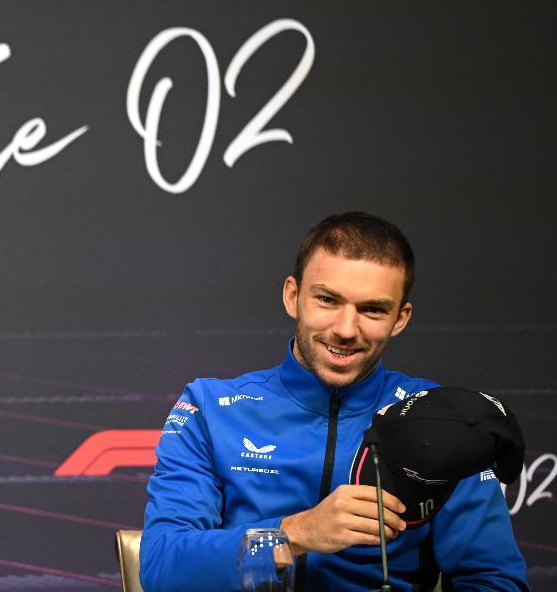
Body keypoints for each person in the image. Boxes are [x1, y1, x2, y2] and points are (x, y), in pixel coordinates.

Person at [140, 212, 528, 591]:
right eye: (327, 300)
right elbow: (161, 565)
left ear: (401, 318)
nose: (345, 329)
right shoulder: (209, 406)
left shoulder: (443, 420)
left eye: (372, 309)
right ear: (293, 296)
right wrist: (296, 533)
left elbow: (495, 580)